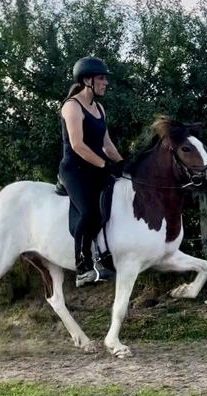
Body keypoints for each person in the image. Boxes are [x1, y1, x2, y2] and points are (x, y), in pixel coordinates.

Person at [58, 56, 124, 287]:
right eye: (102, 78)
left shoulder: (99, 108)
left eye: (105, 79)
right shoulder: (71, 106)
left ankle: (107, 258)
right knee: (89, 212)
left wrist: (124, 165)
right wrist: (105, 165)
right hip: (74, 169)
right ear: (87, 80)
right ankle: (83, 269)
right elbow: (78, 145)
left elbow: (107, 144)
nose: (106, 83)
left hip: (95, 166)